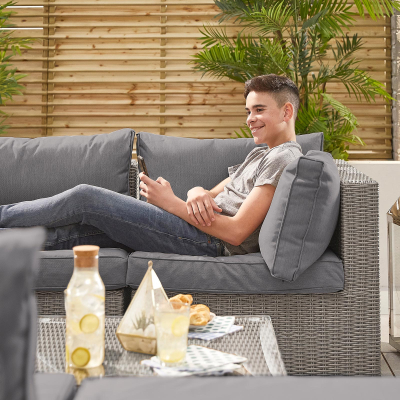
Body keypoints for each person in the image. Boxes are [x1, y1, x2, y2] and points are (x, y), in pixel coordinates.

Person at [0, 74, 302, 257]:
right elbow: (210, 194)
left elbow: (237, 233)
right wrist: (196, 193)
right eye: (248, 111)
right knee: (85, 229)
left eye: (259, 110)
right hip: (196, 227)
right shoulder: (262, 152)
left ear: (286, 111)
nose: (250, 119)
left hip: (209, 241)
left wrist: (171, 204)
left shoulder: (284, 158)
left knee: (85, 198)